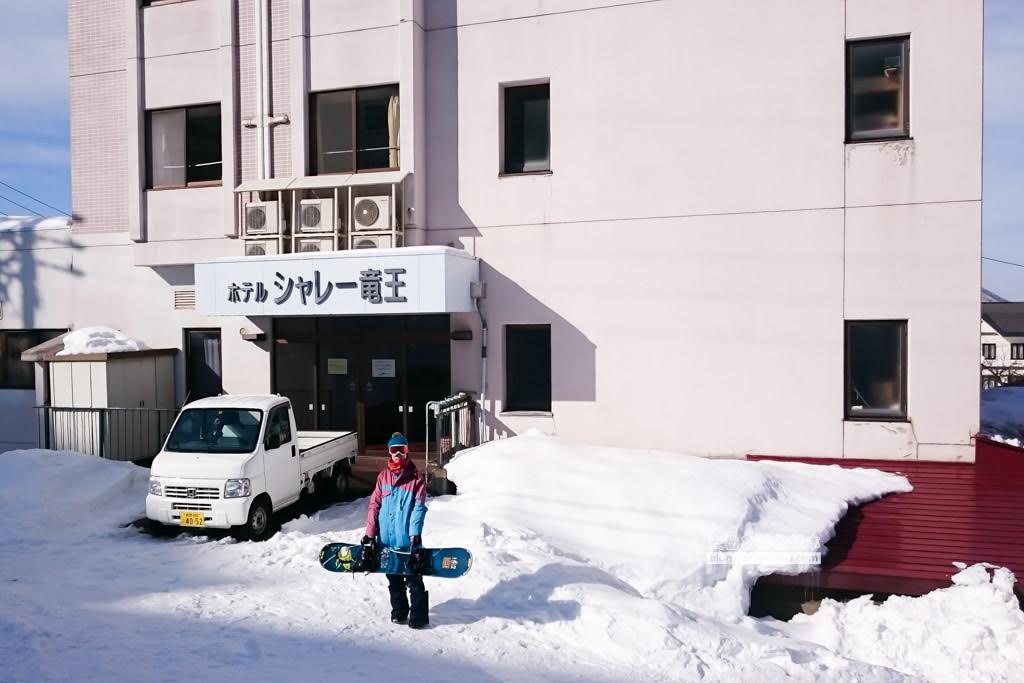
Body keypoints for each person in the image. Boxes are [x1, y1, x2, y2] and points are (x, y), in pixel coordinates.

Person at [363, 432, 430, 629]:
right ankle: (399, 611)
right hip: (386, 539)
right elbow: (374, 505)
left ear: (407, 452)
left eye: (402, 450)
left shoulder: (416, 479)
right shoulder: (383, 477)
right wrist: (369, 535)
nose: (398, 455)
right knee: (393, 578)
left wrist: (415, 537)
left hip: (406, 540)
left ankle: (418, 615)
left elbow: (418, 508)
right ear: (389, 453)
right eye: (394, 450)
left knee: (413, 578)